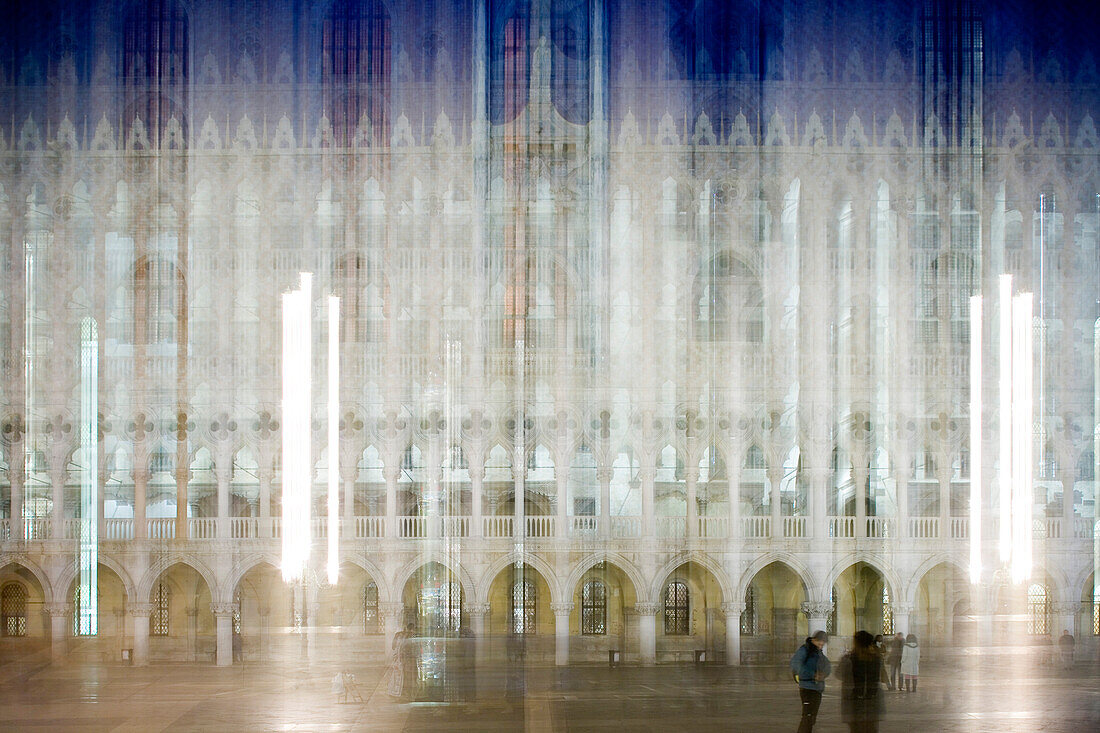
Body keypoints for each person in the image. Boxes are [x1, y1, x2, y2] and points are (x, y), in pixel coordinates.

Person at [839, 630, 885, 733]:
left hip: (855, 702)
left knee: (856, 729)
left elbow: (839, 674)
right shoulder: (876, 658)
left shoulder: (850, 658)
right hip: (872, 701)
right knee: (871, 728)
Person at [790, 630, 832, 733]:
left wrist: (823, 674)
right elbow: (795, 665)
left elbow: (827, 665)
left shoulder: (818, 652)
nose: (821, 645)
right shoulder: (805, 650)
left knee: (812, 717)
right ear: (814, 640)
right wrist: (812, 674)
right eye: (820, 642)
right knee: (807, 716)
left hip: (817, 688)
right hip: (807, 688)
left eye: (823, 643)